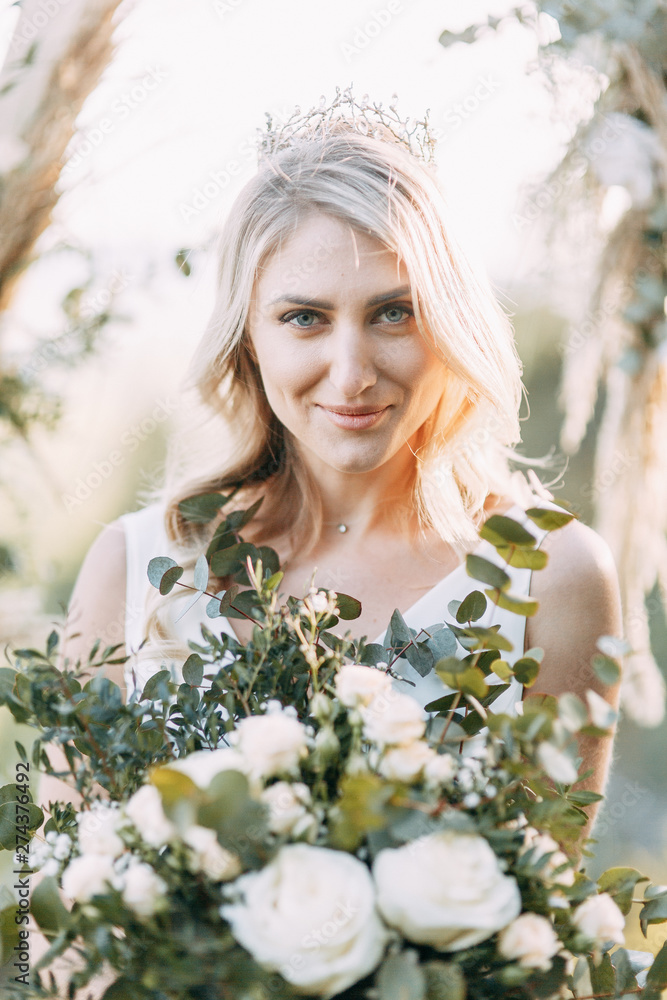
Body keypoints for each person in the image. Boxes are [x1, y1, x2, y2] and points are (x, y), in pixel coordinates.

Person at [62, 93, 622, 815]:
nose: (352, 372)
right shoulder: (131, 566)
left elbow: (545, 902)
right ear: (247, 338)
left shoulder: (552, 578)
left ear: (448, 324)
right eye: (304, 318)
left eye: (394, 312)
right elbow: (47, 888)